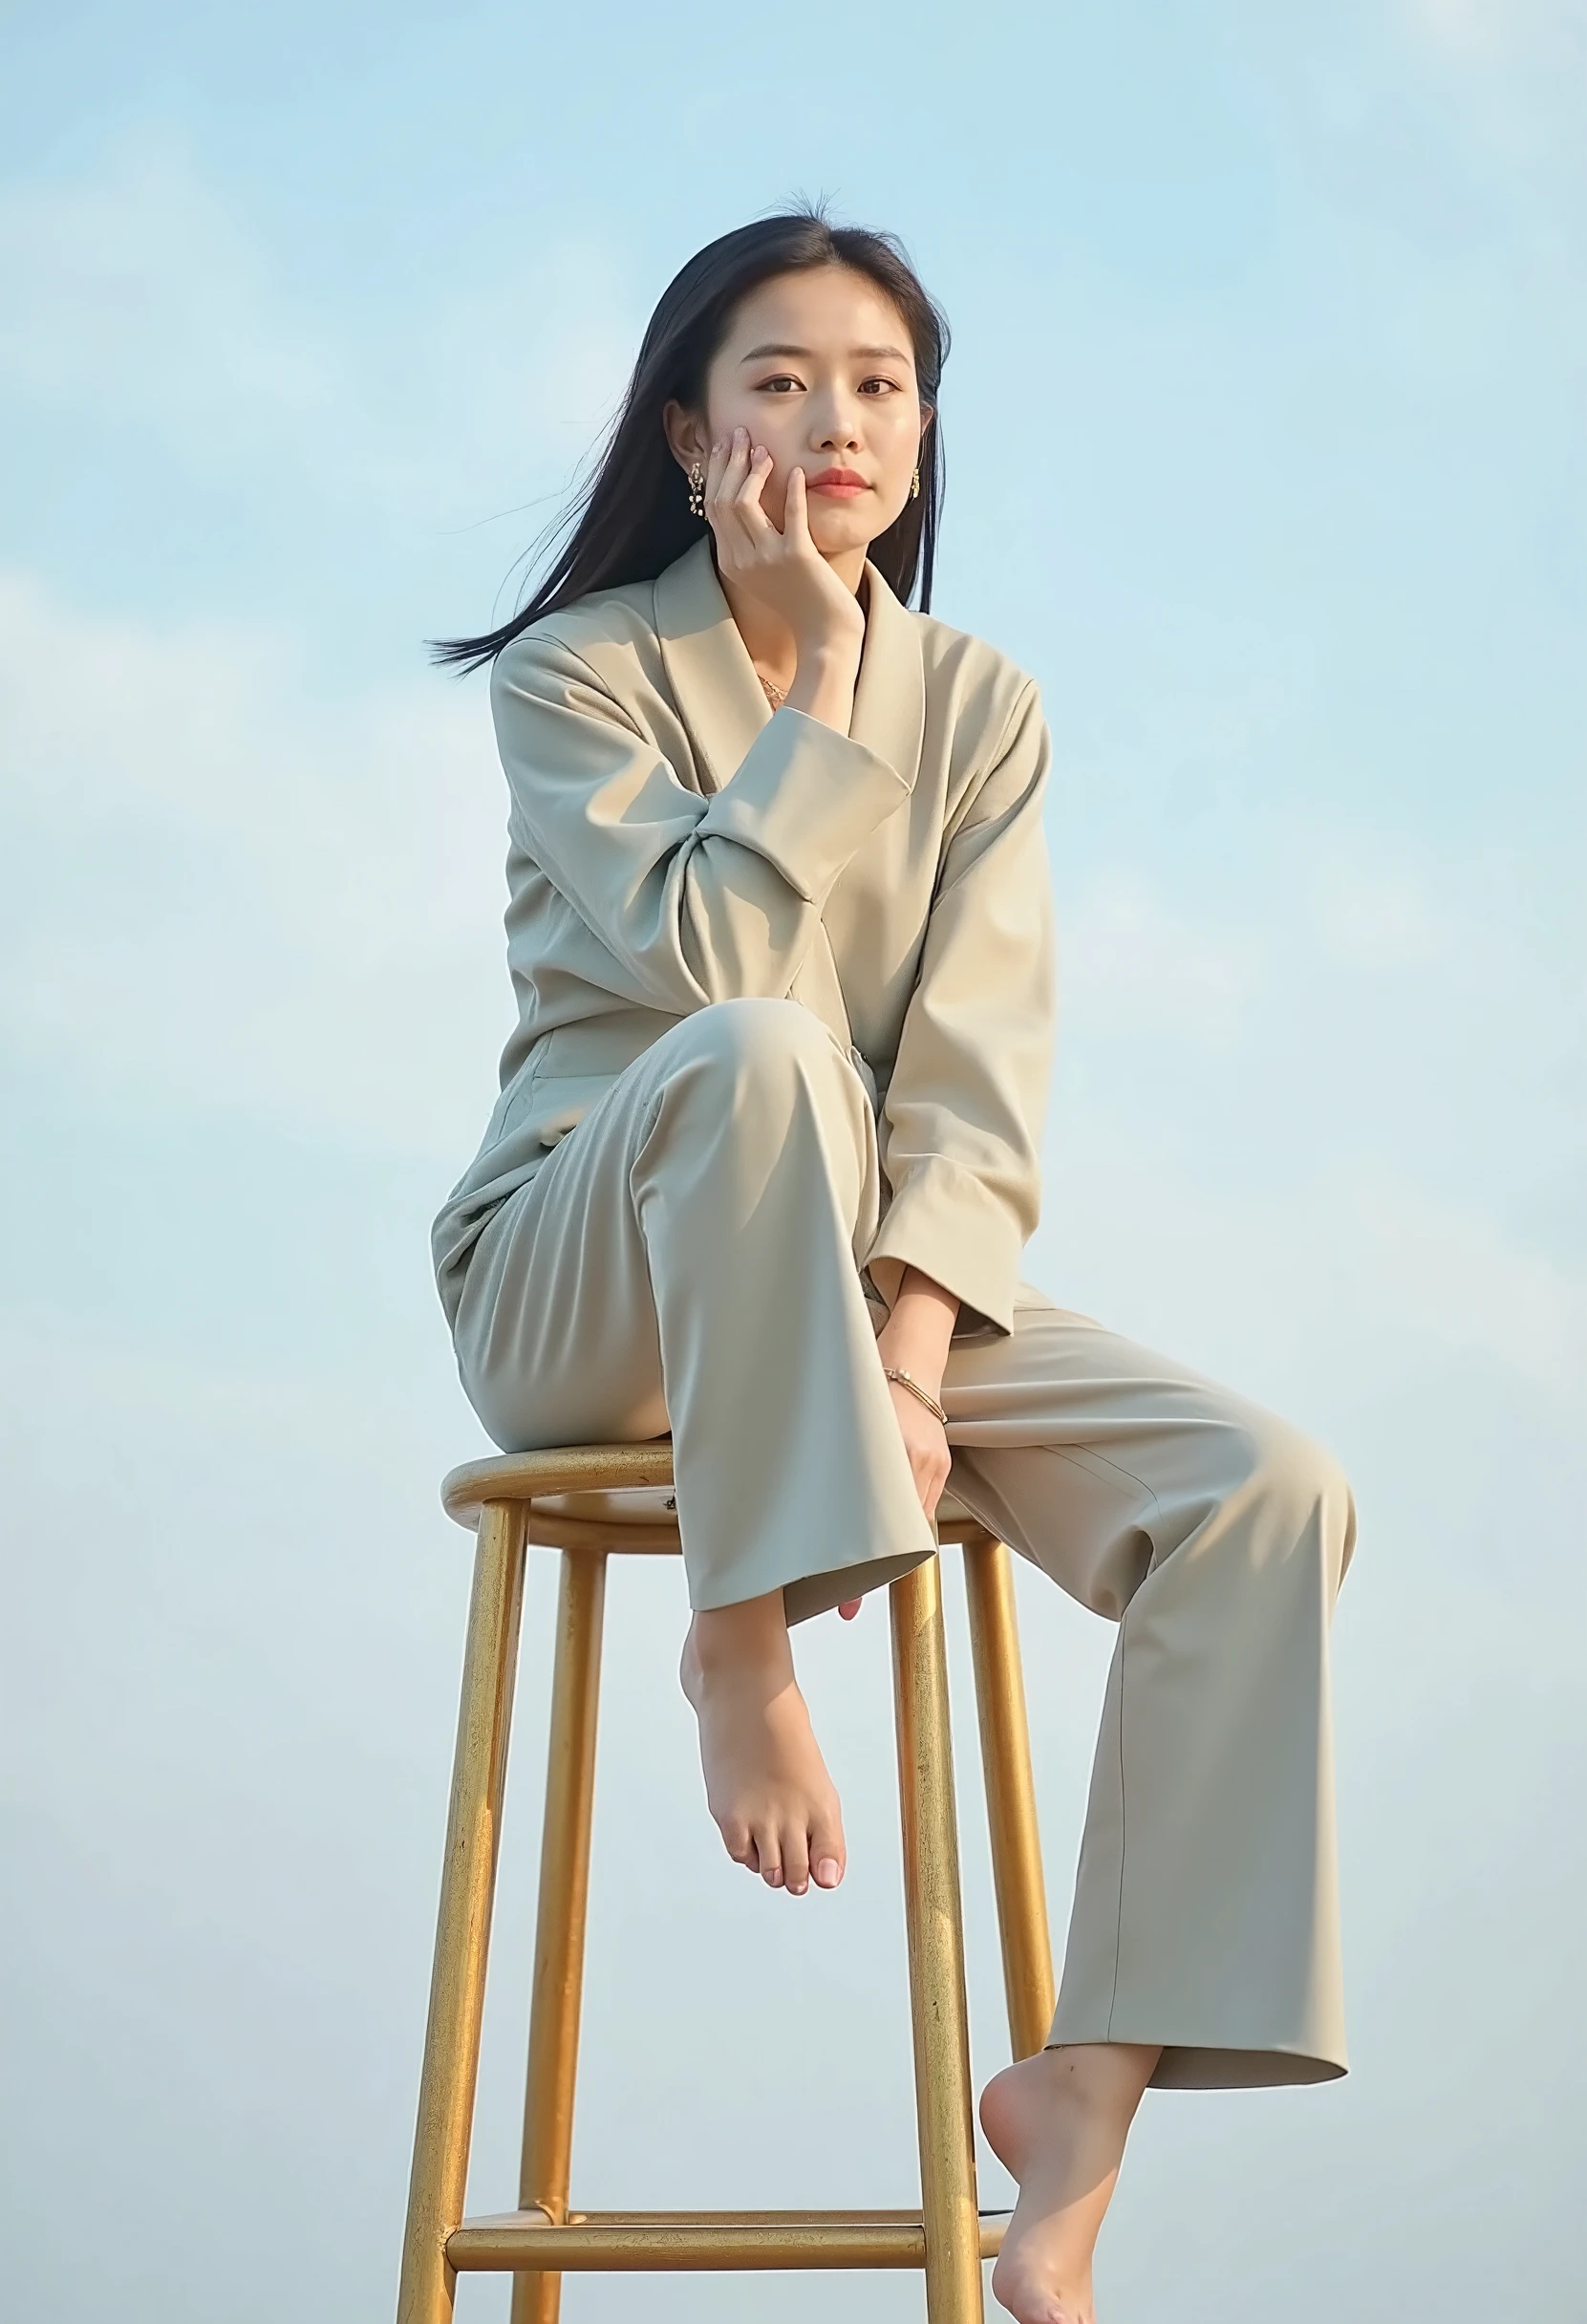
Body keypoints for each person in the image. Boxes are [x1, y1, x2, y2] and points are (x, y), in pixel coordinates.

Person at [429, 207, 1358, 2324]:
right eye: (776, 380)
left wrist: (917, 1351)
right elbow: (717, 980)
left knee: (1261, 1491)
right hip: (586, 1273)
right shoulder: (586, 680)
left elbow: (973, 1075)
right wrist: (817, 687)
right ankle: (737, 1640)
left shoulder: (989, 708)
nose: (833, 420)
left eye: (878, 385)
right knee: (758, 1053)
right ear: (688, 435)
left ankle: (1082, 2105)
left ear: (923, 436)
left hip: (860, 1282)